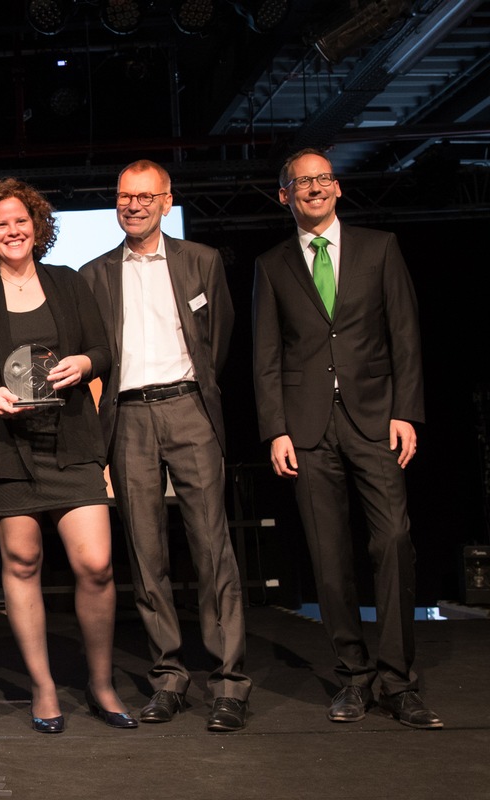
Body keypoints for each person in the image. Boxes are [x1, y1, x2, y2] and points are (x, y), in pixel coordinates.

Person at [252, 148, 441, 729]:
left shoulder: (379, 248)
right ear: (284, 195)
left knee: (393, 544)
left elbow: (405, 334)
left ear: (338, 188)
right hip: (307, 429)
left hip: (376, 418)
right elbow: (266, 355)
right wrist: (276, 429)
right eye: (301, 182)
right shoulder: (272, 263)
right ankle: (354, 677)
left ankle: (398, 681)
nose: (313, 189)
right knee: (330, 560)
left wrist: (407, 410)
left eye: (322, 179)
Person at [80, 159, 250, 732]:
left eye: (145, 196)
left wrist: (191, 396)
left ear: (167, 202)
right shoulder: (94, 273)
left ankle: (228, 683)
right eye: (125, 196)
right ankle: (169, 679)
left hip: (189, 409)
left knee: (212, 548)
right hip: (127, 416)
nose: (133, 205)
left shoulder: (200, 261)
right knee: (146, 556)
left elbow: (217, 342)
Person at [0, 178, 134, 733]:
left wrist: (83, 364)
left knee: (97, 564)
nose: (13, 231)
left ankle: (102, 682)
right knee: (22, 563)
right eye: (1, 224)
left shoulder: (68, 282)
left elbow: (104, 349)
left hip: (73, 439)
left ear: (37, 227)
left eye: (21, 221)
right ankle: (43, 688)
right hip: (7, 445)